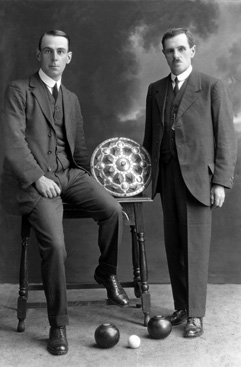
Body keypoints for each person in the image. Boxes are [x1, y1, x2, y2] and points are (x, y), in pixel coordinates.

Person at [1, 30, 129, 355]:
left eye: (61, 52)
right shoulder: (19, 90)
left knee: (113, 211)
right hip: (38, 182)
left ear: (68, 57)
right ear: (38, 55)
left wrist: (89, 179)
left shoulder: (70, 98)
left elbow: (80, 148)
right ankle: (58, 324)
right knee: (56, 246)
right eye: (48, 51)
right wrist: (36, 178)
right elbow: (12, 142)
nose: (54, 58)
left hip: (71, 175)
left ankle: (106, 272)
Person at [143, 28, 236, 338]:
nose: (176, 55)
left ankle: (196, 315)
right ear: (164, 54)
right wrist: (145, 179)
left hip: (198, 179)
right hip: (166, 177)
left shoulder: (210, 86)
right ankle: (182, 306)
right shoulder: (155, 90)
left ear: (192, 50)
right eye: (170, 50)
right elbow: (149, 139)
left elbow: (225, 137)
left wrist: (220, 181)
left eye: (181, 49)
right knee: (174, 245)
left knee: (195, 248)